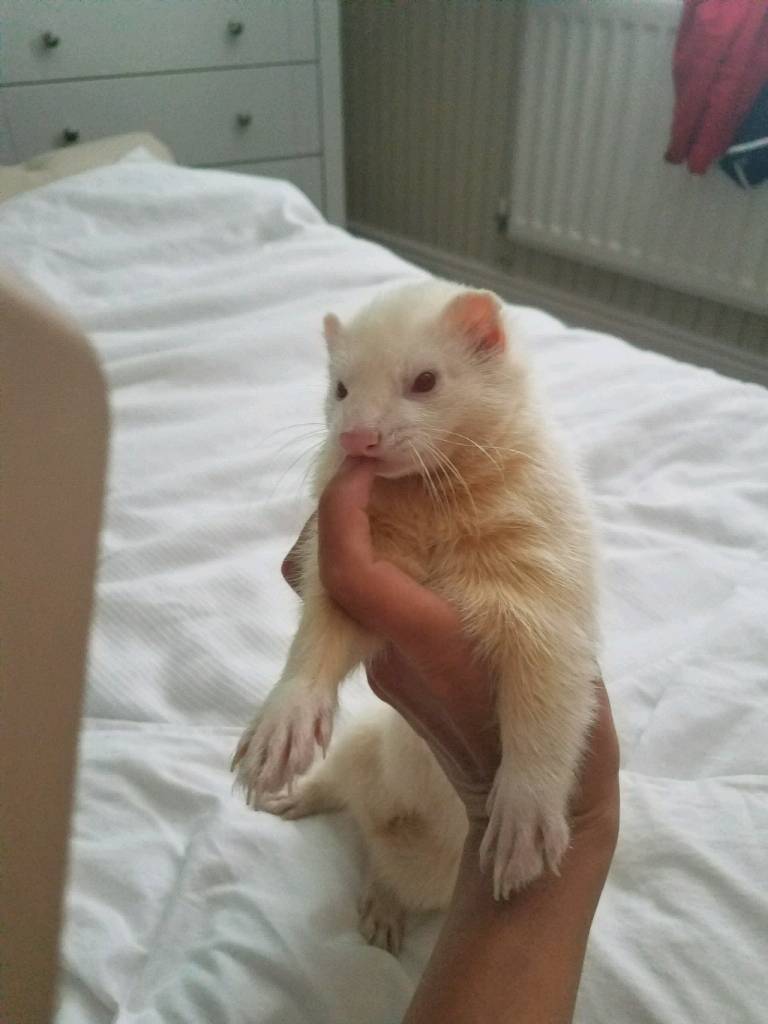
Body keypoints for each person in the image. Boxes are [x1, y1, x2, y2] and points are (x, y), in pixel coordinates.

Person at [282, 459, 621, 1024]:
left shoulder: (532, 490)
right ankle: (327, 790)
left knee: (419, 879)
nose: (359, 432)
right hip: (394, 749)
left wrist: (574, 813)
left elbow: (546, 637)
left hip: (459, 819)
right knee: (365, 756)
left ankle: (386, 879)